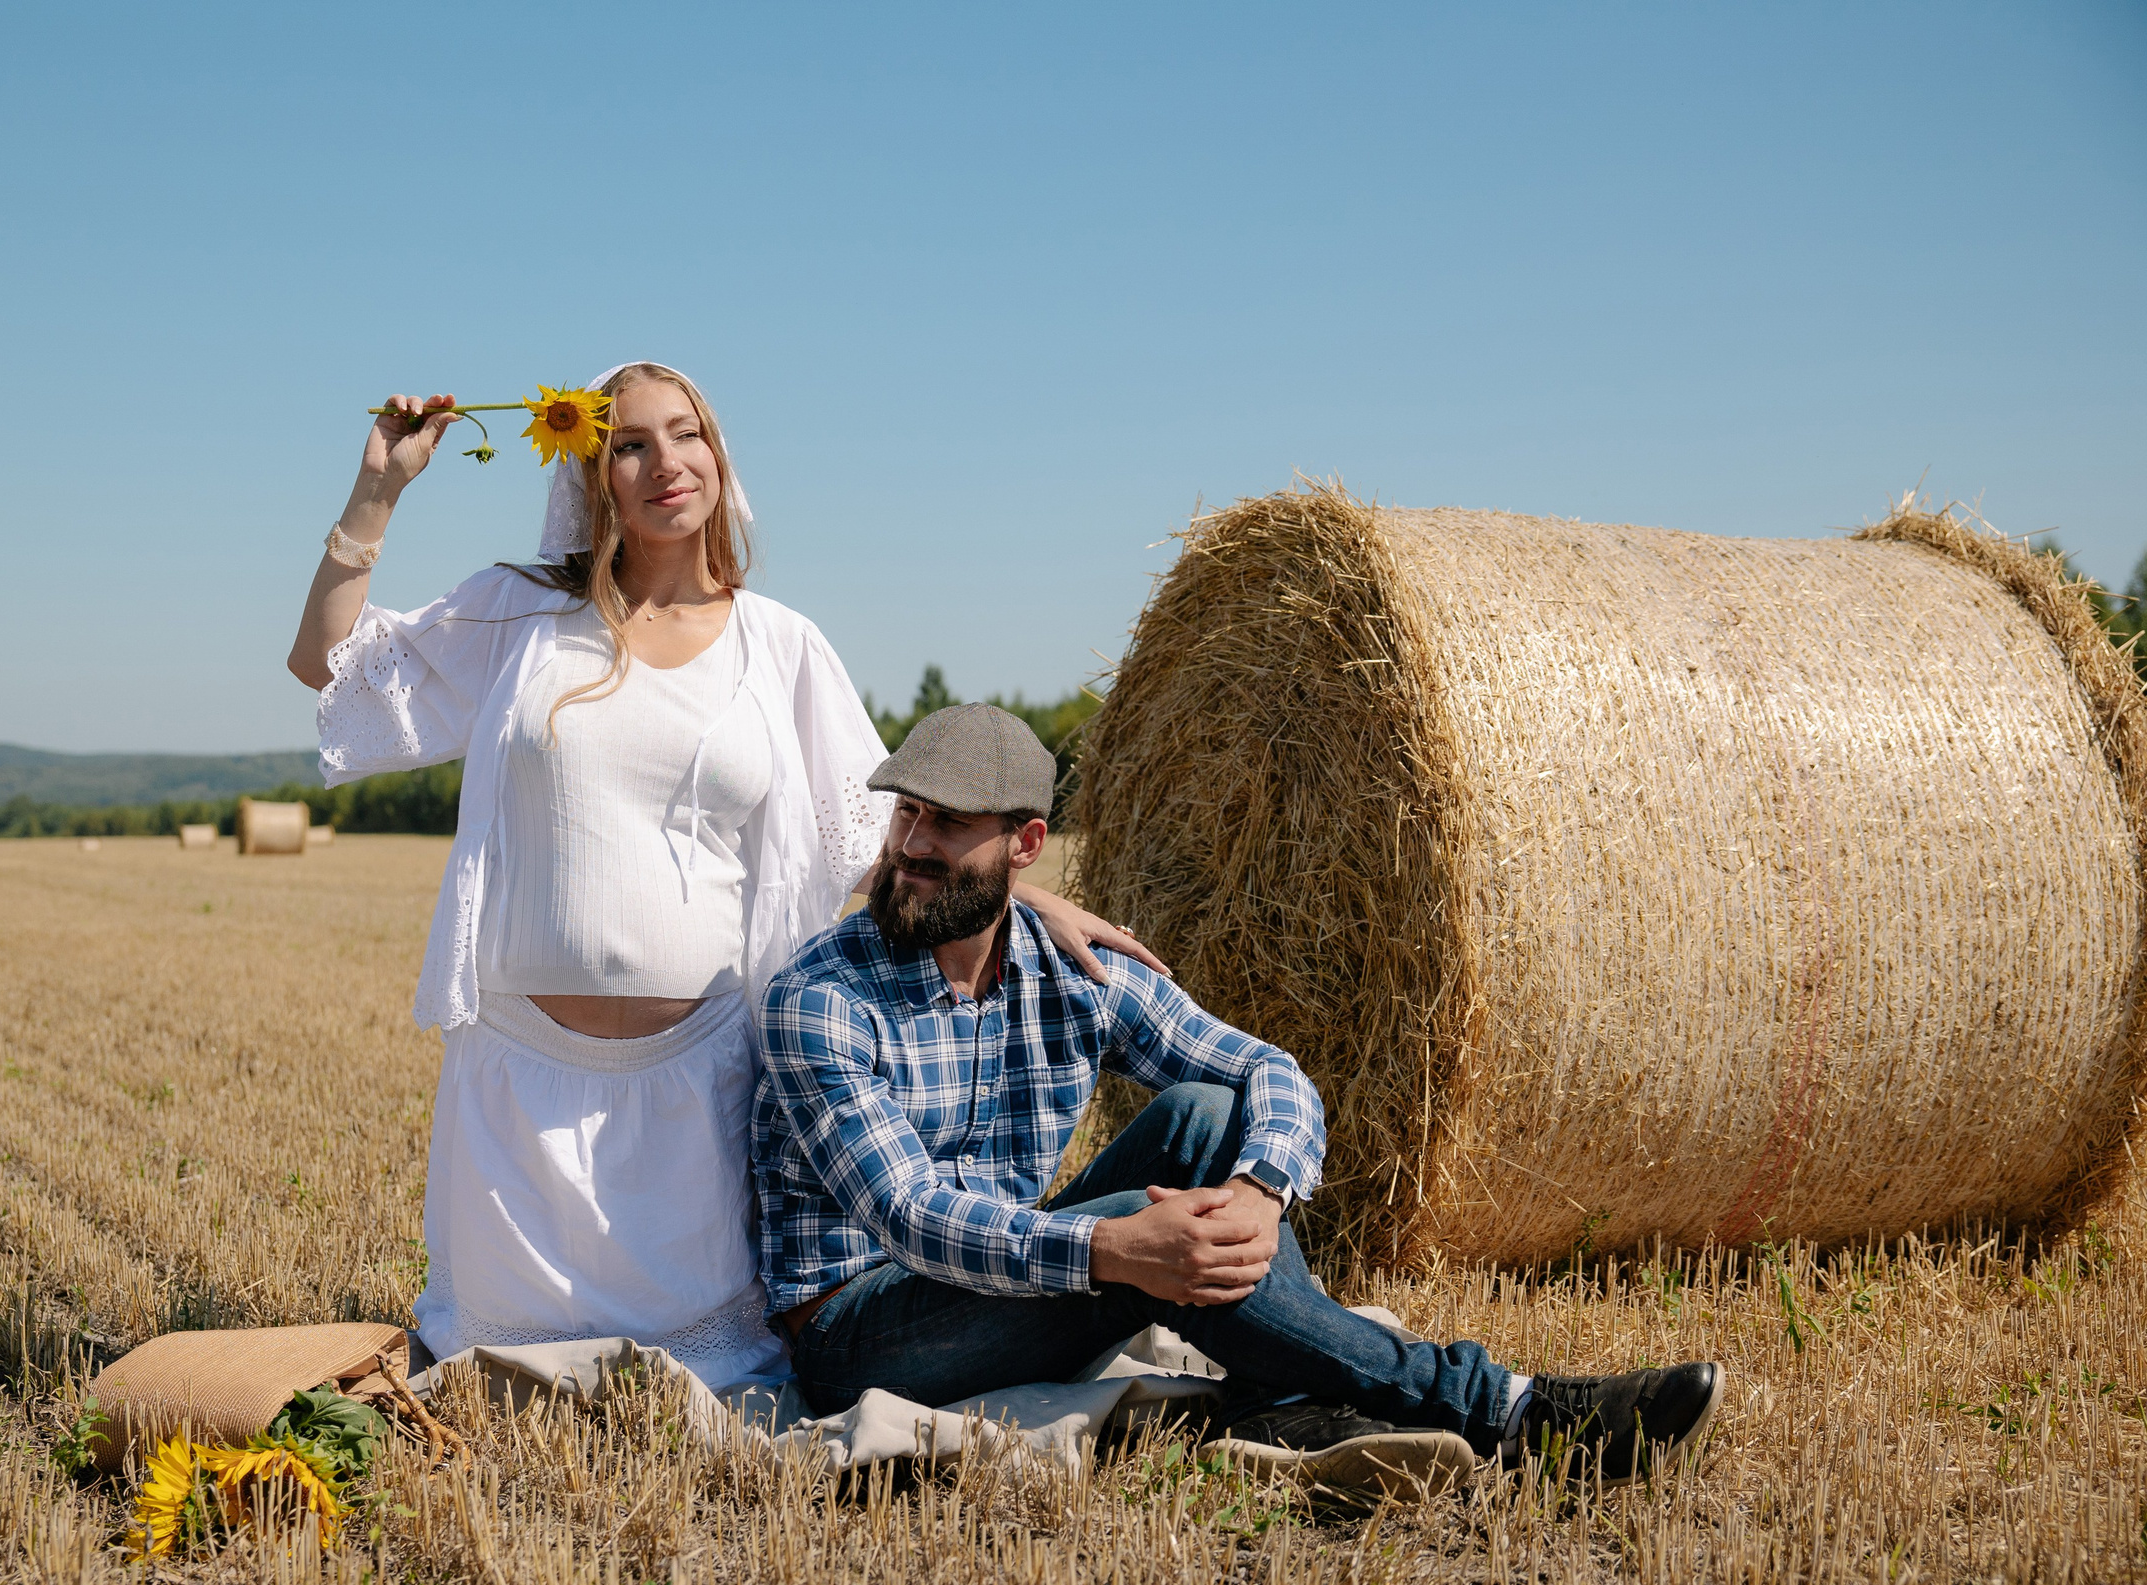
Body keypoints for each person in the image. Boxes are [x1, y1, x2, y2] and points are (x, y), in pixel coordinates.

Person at [287, 363, 1150, 1387]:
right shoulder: (516, 613)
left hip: (697, 1096)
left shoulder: (780, 646)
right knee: (494, 1384)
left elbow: (884, 835)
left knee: (705, 1385)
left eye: (686, 434)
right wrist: (377, 490)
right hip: (518, 1101)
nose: (665, 464)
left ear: (718, 456)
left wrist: (1021, 892)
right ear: (590, 473)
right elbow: (327, 664)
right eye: (630, 444)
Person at [753, 703, 1727, 1482]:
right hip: (860, 1332)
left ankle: (1274, 1395)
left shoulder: (1074, 974)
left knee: (1212, 1119)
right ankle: (1502, 1408)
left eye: (948, 824)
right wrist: (1114, 1247)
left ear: (1025, 845)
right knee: (1146, 1219)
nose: (912, 845)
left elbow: (1271, 1073)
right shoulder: (822, 997)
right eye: (904, 812)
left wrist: (1261, 1193)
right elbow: (911, 1217)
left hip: (1012, 1278)